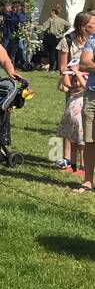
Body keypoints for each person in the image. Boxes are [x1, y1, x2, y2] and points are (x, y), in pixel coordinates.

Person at [55, 12, 95, 175]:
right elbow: (63, 66)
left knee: (84, 125)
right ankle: (67, 159)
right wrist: (72, 75)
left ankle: (84, 163)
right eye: (93, 23)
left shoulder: (92, 40)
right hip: (74, 85)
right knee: (71, 121)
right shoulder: (68, 40)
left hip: (89, 82)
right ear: (83, 26)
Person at [73, 23, 95, 193]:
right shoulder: (93, 40)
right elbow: (84, 64)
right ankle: (88, 180)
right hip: (92, 95)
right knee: (90, 139)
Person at [38, 2, 69, 72]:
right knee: (57, 54)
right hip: (59, 38)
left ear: (53, 12)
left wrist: (35, 26)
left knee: (51, 54)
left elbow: (43, 28)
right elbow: (69, 25)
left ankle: (52, 68)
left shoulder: (50, 19)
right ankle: (57, 67)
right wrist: (63, 31)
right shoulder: (62, 20)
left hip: (51, 38)